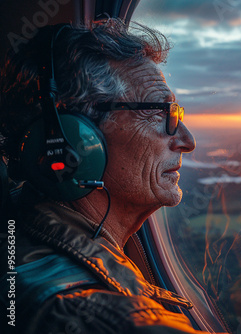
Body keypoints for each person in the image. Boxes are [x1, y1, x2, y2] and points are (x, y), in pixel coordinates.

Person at [0, 19, 224, 333]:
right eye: (160, 112)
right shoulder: (109, 320)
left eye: (176, 114)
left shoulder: (18, 222)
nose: (188, 141)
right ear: (73, 139)